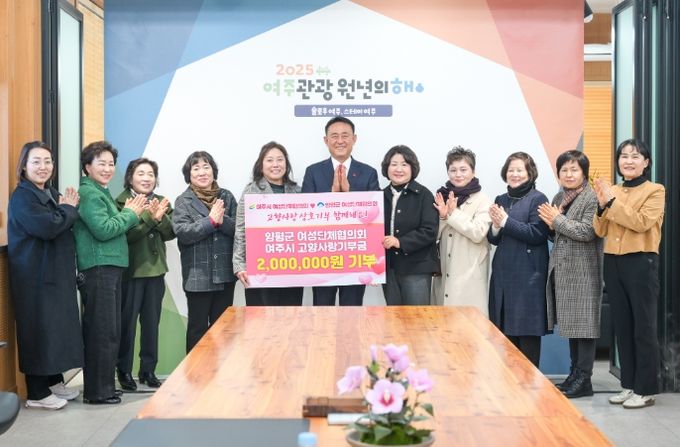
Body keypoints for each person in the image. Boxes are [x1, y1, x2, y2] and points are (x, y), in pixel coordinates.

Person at [7, 142, 84, 410]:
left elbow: (64, 219)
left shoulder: (49, 192)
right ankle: (37, 393)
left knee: (55, 329)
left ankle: (54, 382)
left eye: (48, 161)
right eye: (36, 161)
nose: (43, 167)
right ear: (24, 167)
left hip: (54, 274)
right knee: (38, 330)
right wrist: (69, 209)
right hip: (34, 276)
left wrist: (67, 210)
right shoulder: (22, 197)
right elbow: (48, 227)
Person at [593, 139, 665, 409]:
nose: (628, 161)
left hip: (641, 261)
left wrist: (610, 202)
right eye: (624, 156)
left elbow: (641, 222)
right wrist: (602, 206)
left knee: (643, 327)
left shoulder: (655, 190)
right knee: (622, 326)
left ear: (646, 162)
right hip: (613, 261)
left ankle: (645, 390)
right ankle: (629, 385)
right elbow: (599, 230)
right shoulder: (613, 190)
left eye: (635, 156)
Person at [74, 141, 146, 405]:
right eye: (101, 163)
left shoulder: (100, 191)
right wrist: (130, 213)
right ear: (87, 167)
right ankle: (97, 391)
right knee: (102, 332)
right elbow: (103, 229)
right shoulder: (89, 193)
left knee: (109, 331)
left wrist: (131, 214)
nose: (107, 169)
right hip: (99, 269)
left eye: (111, 164)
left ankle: (104, 387)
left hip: (108, 268)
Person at [538, 150, 603, 398]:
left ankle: (584, 378)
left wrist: (556, 220)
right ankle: (574, 375)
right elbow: (558, 234)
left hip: (584, 270)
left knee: (585, 328)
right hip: (564, 270)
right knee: (572, 327)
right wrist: (550, 227)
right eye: (564, 170)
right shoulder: (559, 197)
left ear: (584, 172)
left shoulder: (592, 197)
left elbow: (587, 231)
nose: (568, 174)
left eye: (574, 169)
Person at [301, 116, 380, 306]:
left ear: (354, 139)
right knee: (322, 311)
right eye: (334, 136)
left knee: (352, 312)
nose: (340, 141)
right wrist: (333, 195)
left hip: (356, 257)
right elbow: (305, 214)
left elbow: (375, 216)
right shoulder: (313, 172)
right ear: (325, 140)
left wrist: (349, 194)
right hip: (322, 257)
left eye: (345, 135)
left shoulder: (368, 172)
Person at [115, 158, 175, 391]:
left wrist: (159, 217)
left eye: (151, 174)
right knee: (127, 325)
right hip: (131, 272)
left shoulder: (162, 201)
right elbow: (126, 236)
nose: (147, 178)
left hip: (156, 271)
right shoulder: (121, 202)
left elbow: (171, 233)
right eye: (141, 173)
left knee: (151, 324)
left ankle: (148, 370)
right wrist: (151, 218)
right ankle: (123, 370)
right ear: (130, 177)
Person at [487, 152, 550, 367]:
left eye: (519, 170)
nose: (514, 174)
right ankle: (509, 383)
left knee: (527, 334)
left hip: (528, 277)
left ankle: (529, 384)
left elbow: (538, 234)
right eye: (511, 170)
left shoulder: (538, 198)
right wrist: (496, 227)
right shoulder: (501, 199)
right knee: (505, 335)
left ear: (530, 173)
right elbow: (494, 239)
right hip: (503, 275)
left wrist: (506, 222)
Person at [173, 151, 238, 353]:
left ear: (213, 170)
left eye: (206, 167)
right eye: (196, 168)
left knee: (223, 329)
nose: (202, 172)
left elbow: (239, 230)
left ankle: (222, 371)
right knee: (197, 330)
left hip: (225, 275)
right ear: (189, 174)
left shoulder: (226, 196)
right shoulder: (183, 201)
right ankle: (195, 372)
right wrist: (210, 222)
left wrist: (222, 220)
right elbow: (183, 233)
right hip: (197, 277)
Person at [233, 142, 303, 306]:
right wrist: (240, 265)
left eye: (280, 159)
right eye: (270, 160)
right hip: (260, 269)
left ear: (286, 163)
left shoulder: (298, 191)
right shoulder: (251, 191)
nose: (275, 164)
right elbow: (241, 230)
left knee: (290, 317)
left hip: (292, 269)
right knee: (261, 318)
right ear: (261, 165)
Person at [432, 147, 492, 314]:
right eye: (453, 170)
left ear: (473, 171)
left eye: (463, 169)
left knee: (470, 323)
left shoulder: (483, 200)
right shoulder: (442, 197)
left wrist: (453, 214)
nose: (458, 174)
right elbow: (432, 235)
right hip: (444, 271)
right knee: (444, 322)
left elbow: (478, 233)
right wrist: (443, 216)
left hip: (470, 274)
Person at [381, 145, 439, 305]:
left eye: (404, 164)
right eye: (394, 164)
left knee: (417, 317)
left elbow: (430, 231)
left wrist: (400, 242)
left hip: (417, 268)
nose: (398, 169)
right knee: (393, 316)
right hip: (389, 268)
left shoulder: (424, 195)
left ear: (412, 168)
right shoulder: (379, 196)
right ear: (386, 168)